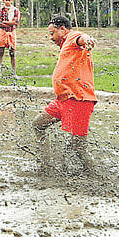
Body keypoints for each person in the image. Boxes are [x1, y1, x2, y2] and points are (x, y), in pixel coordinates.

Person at [32, 16, 97, 171]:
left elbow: (82, 37)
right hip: (63, 100)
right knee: (38, 125)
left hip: (79, 100)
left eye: (52, 33)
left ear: (62, 29)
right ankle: (46, 164)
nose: (50, 38)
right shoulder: (65, 45)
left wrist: (88, 40)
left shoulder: (72, 37)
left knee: (78, 146)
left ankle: (95, 176)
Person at [0, 0, 20, 77]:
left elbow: (16, 23)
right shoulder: (0, 10)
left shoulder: (15, 10)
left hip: (12, 32)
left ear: (11, 1)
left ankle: (14, 72)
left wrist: (5, 22)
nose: (7, 2)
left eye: (9, 0)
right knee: (1, 51)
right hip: (3, 32)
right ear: (3, 0)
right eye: (6, 0)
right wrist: (9, 24)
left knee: (12, 52)